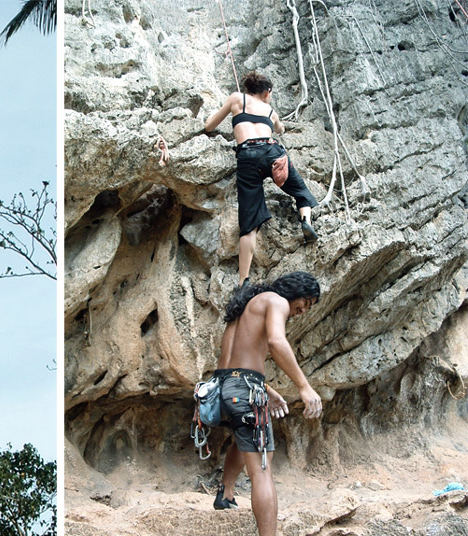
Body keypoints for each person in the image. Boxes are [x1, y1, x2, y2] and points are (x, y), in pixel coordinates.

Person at [211, 271, 323, 536]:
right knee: (262, 469)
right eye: (306, 303)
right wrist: (304, 387)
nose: (304, 310)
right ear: (296, 292)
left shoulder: (243, 310)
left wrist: (266, 388)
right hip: (246, 389)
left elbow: (227, 367)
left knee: (245, 438)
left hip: (227, 387)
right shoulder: (277, 301)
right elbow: (276, 341)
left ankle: (225, 495)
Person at [204, 72, 319, 287]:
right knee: (301, 192)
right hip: (272, 152)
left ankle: (243, 280)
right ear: (267, 92)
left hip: (247, 157)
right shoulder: (270, 110)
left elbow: (209, 125)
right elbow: (280, 129)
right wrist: (277, 123)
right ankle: (306, 221)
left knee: (249, 223)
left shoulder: (237, 98)